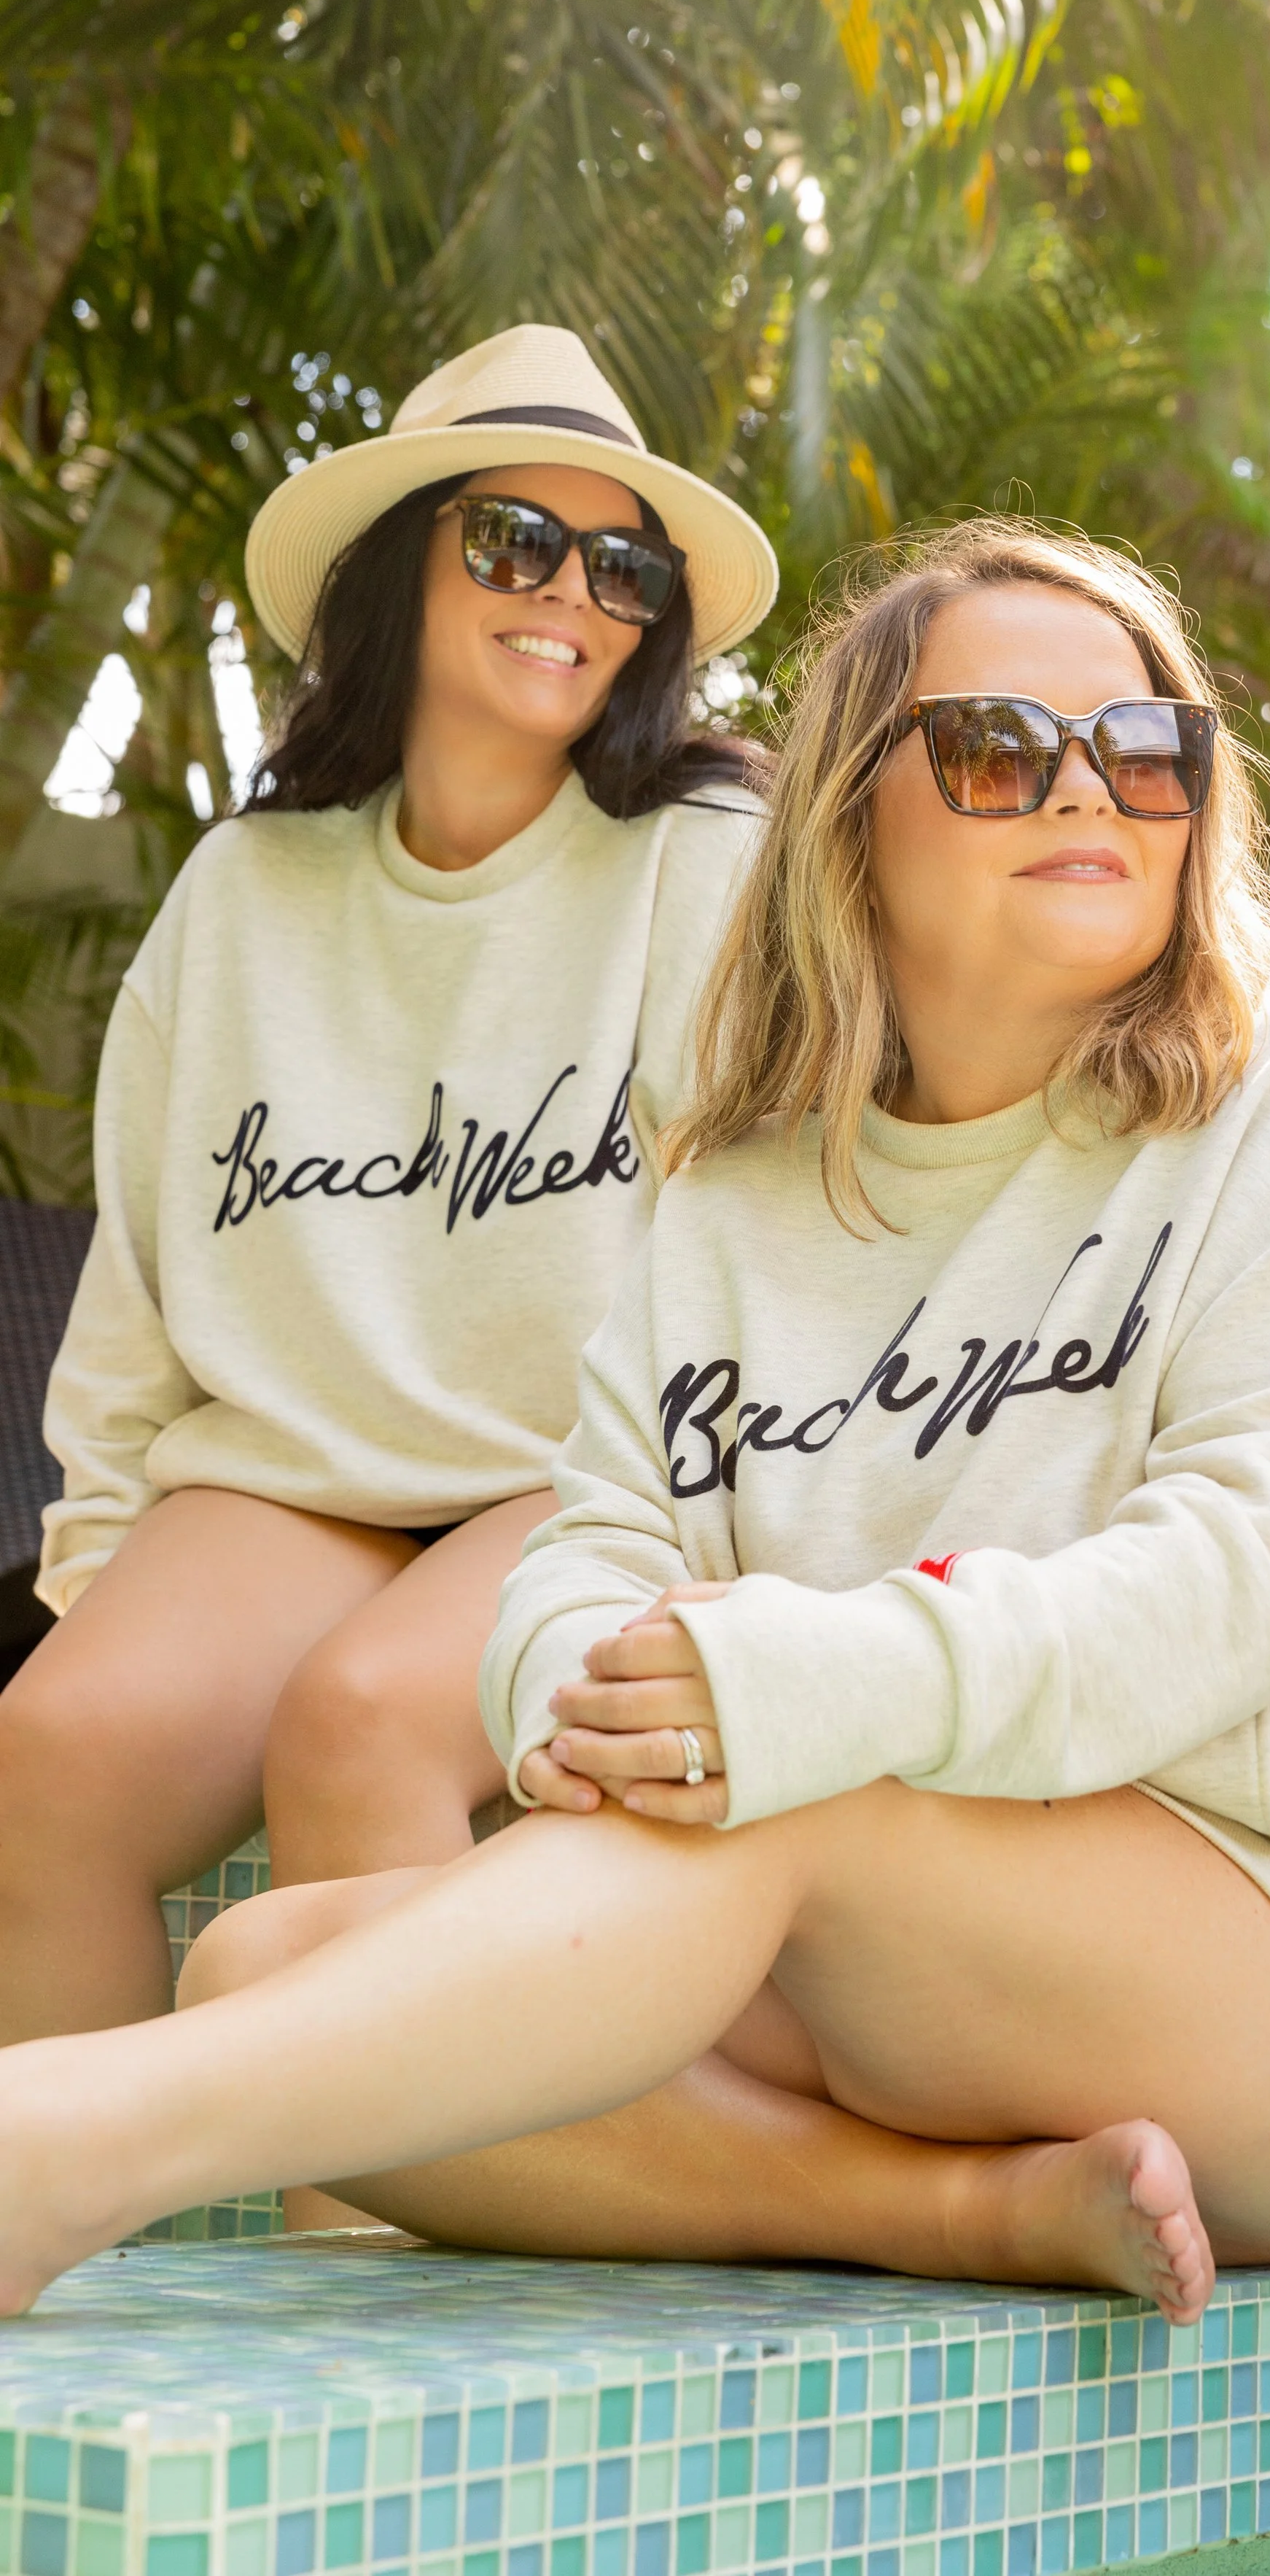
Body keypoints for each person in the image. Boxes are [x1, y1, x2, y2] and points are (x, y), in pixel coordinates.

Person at [0, 518, 1270, 2324]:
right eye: (993, 748)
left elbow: (1232, 1584)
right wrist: (590, 1690)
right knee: (260, 1956)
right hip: (887, 1981)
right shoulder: (737, 1188)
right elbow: (594, 1545)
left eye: (1143, 751)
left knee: (787, 1808)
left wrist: (809, 1683)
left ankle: (57, 2144)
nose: (1085, 792)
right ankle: (948, 2212)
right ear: (845, 818)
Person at [0, 324, 777, 2050]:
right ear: (399, 568)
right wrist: (103, 1586)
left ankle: (356, 2311)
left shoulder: (700, 865)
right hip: (290, 1490)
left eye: (623, 566)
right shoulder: (245, 889)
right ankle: (68, 2299)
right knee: (44, 1755)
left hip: (571, 1482)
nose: (570, 591)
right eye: (515, 540)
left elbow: (764, 1259)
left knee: (357, 1723)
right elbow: (138, 1287)